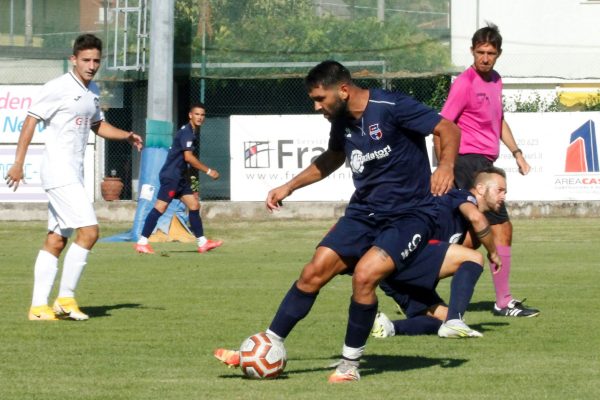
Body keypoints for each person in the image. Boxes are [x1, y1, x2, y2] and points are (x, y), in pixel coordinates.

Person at [214, 60, 461, 382]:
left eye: (320, 99)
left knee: (365, 275)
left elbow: (448, 128)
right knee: (313, 271)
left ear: (343, 90)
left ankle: (349, 365)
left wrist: (445, 167)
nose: (317, 107)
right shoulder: (341, 120)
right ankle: (268, 344)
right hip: (364, 213)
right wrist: (288, 186)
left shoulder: (392, 106)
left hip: (410, 215)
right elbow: (332, 157)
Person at [4, 34, 143, 321]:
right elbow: (31, 121)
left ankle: (38, 307)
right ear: (73, 60)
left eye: (96, 60)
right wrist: (18, 163)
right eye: (86, 60)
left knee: (56, 240)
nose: (92, 65)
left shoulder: (92, 91)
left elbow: (98, 125)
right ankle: (65, 298)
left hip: (73, 175)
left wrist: (126, 136)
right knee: (90, 232)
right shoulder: (57, 88)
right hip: (58, 172)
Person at [437, 23, 539, 317]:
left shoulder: (495, 81)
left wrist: (517, 153)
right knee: (500, 228)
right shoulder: (464, 83)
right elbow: (443, 125)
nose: (484, 58)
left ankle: (419, 281)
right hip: (469, 162)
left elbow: (499, 121)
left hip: (486, 163)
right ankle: (503, 301)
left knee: (471, 237)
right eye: (480, 52)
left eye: (490, 53)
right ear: (472, 51)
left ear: (498, 54)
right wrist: (444, 164)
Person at [373, 167, 516, 339]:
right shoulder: (463, 196)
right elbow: (476, 218)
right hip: (406, 254)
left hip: (397, 274)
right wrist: (493, 253)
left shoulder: (465, 231)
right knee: (474, 258)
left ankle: (388, 327)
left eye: (505, 192)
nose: (503, 196)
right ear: (480, 189)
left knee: (442, 319)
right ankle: (455, 322)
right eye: (499, 190)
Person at [134, 103, 223, 254]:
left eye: (202, 115)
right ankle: (142, 242)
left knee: (194, 205)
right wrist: (208, 171)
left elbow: (184, 162)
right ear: (190, 115)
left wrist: (191, 186)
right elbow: (188, 158)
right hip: (172, 177)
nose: (200, 117)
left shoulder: (192, 133)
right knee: (160, 208)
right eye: (197, 114)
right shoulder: (187, 133)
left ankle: (202, 243)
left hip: (180, 178)